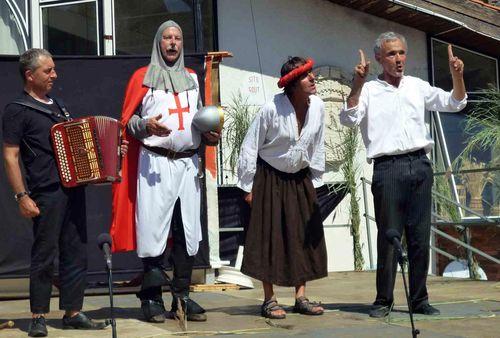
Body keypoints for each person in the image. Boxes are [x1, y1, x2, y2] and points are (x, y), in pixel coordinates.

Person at [340, 32, 466, 318]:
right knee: (389, 237)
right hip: (388, 168)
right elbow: (348, 119)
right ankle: (383, 299)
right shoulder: (370, 90)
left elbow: (454, 103)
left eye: (401, 53)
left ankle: (419, 299)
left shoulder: (417, 86)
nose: (398, 59)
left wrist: (457, 76)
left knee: (420, 236)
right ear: (379, 59)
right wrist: (357, 84)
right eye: (391, 54)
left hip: (420, 165)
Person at [2, 48, 121, 337]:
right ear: (30, 76)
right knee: (44, 254)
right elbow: (10, 156)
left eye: (54, 69)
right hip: (45, 191)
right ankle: (38, 316)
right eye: (48, 71)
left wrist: (111, 153)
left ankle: (72, 312)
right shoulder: (18, 110)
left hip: (73, 188)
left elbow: (78, 146)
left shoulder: (59, 106)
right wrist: (21, 196)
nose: (55, 75)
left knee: (76, 251)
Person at [109, 20, 220, 324]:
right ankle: (151, 297)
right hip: (154, 164)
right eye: (167, 38)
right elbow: (127, 123)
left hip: (187, 164)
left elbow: (198, 118)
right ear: (158, 43)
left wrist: (210, 134)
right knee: (153, 230)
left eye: (178, 38)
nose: (173, 43)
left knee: (187, 232)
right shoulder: (142, 78)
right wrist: (145, 125)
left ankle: (181, 297)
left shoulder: (193, 78)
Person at [237, 57, 327, 319]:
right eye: (306, 76)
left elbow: (318, 141)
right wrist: (248, 186)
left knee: (303, 235)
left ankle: (301, 297)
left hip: (300, 176)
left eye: (312, 74)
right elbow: (250, 145)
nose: (313, 79)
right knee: (270, 236)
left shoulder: (318, 107)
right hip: (269, 177)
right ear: (291, 84)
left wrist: (316, 178)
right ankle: (269, 299)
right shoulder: (271, 109)